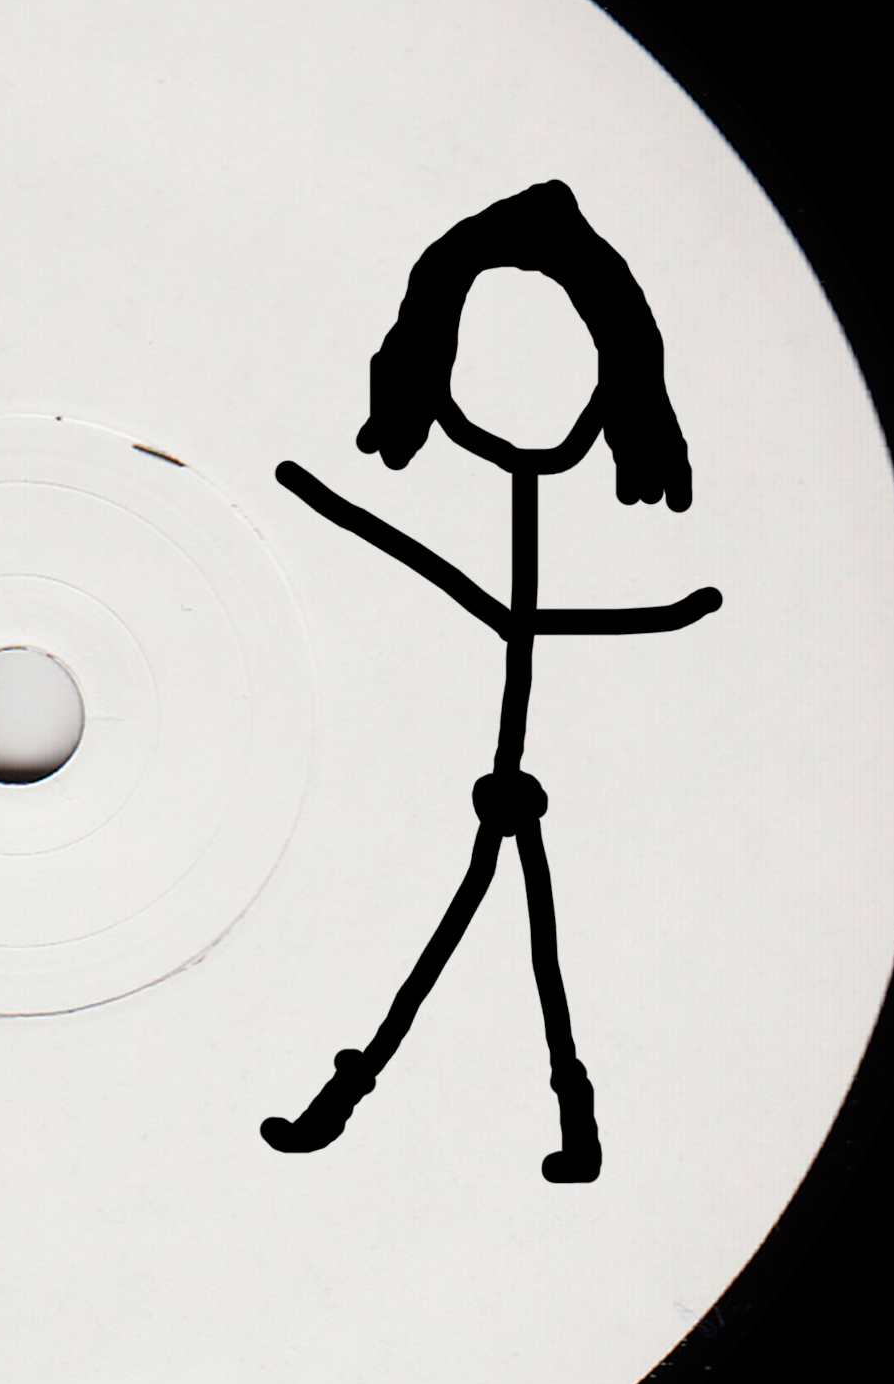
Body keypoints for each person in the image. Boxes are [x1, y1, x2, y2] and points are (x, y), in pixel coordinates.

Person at [265, 182, 720, 1180]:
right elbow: (492, 603)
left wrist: (676, 613)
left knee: (490, 941)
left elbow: (512, 614)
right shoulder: (501, 453)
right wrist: (335, 509)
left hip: (510, 792)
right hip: (508, 792)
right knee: (511, 948)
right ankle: (556, 1123)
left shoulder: (537, 452)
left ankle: (369, 1104)